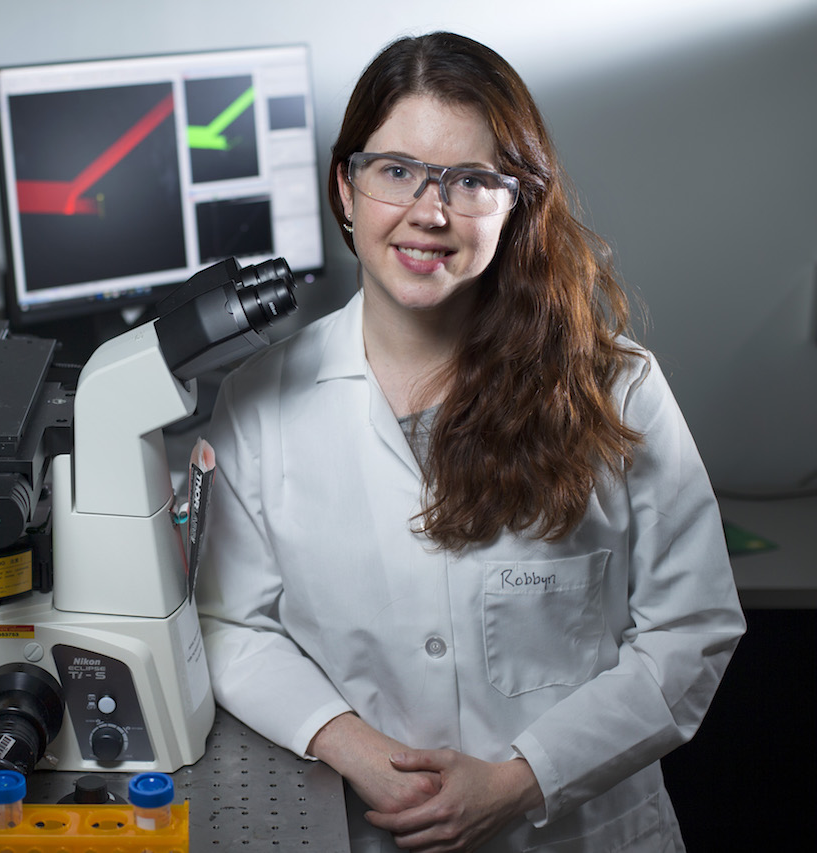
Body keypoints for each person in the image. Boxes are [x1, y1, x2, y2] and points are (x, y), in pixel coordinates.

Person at [196, 31, 745, 852]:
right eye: (396, 171)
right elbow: (231, 622)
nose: (431, 211)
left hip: (582, 833)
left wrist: (521, 779)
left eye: (472, 180)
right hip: (372, 828)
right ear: (346, 190)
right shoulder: (260, 403)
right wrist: (350, 743)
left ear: (516, 199)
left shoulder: (613, 387)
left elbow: (690, 626)